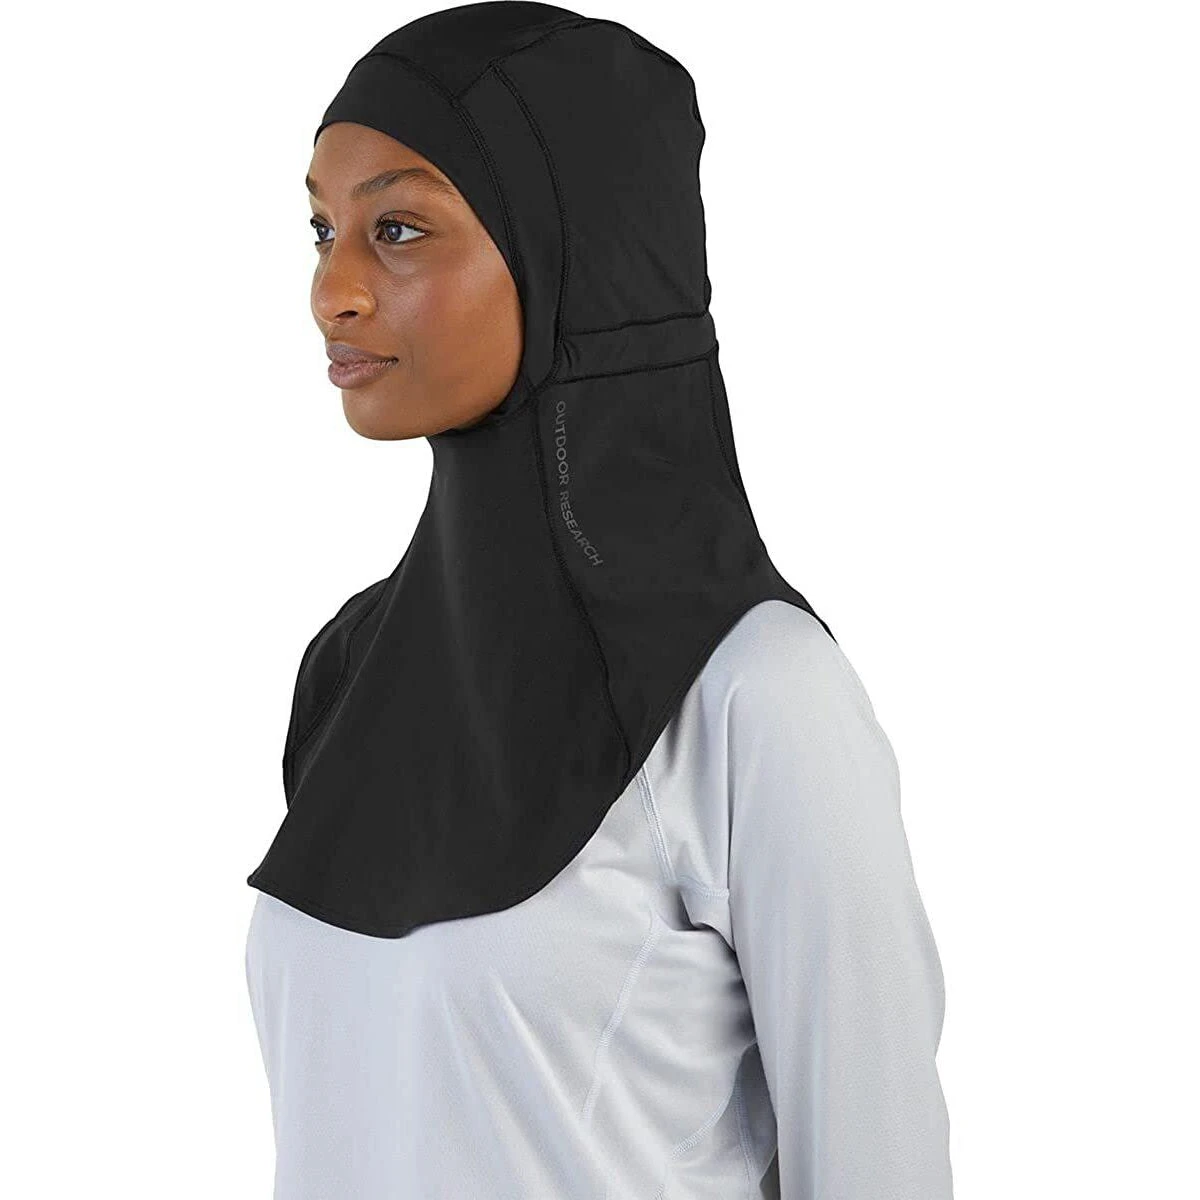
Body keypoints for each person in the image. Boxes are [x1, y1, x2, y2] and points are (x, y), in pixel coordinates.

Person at [244, 4, 954, 1197]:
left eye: (398, 229)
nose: (333, 291)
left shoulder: (757, 695)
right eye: (322, 230)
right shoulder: (349, 667)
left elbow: (879, 1169)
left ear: (573, 245)